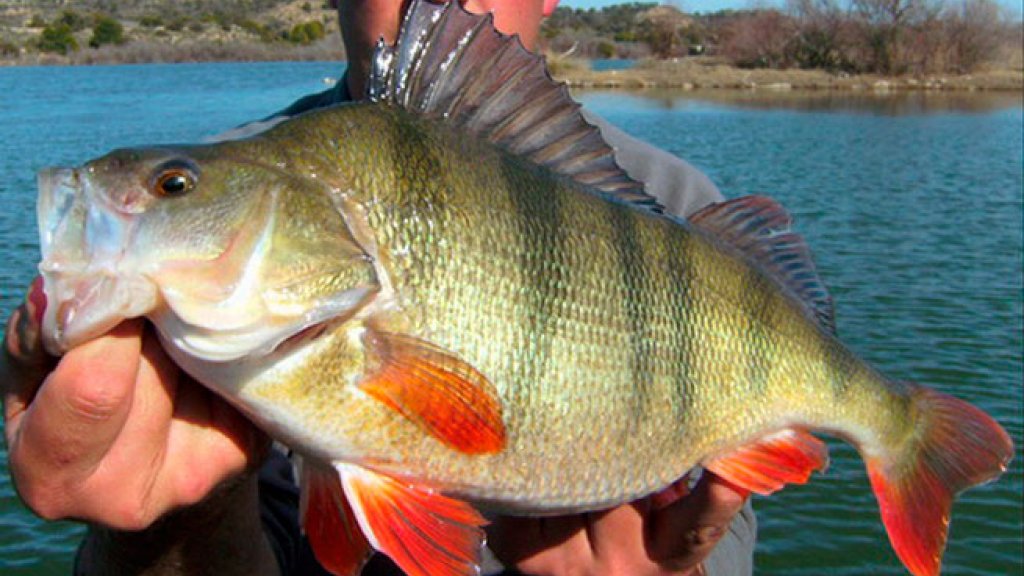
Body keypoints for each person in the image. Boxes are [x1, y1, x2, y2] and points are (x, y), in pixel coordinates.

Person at [1, 1, 755, 575]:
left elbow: (723, 534)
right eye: (172, 187)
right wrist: (167, 524)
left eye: (170, 187)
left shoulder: (681, 219)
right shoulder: (232, 191)